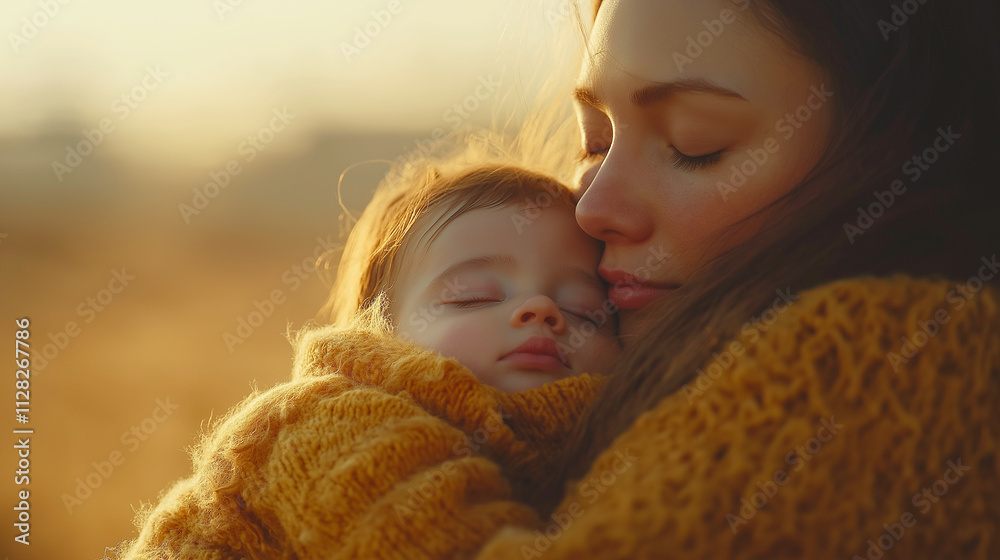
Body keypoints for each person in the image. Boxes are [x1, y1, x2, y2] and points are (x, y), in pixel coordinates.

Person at [114, 0, 1000, 558]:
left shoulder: (886, 355)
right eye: (596, 141)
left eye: (696, 143)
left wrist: (309, 453)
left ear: (900, 153)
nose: (594, 206)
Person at [325, 162, 621, 392]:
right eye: (474, 298)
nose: (541, 307)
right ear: (375, 342)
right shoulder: (341, 422)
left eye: (583, 312)